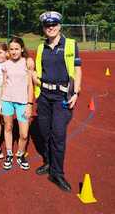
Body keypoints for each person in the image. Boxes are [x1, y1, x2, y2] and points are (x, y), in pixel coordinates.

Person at [33, 11, 82, 193]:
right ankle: (48, 161)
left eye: (54, 24)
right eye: (47, 25)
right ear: (44, 28)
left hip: (62, 98)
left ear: (60, 26)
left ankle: (57, 173)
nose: (51, 27)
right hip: (44, 97)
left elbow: (77, 70)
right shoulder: (41, 48)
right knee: (45, 133)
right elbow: (38, 71)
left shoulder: (70, 45)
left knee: (58, 135)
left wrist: (76, 92)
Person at [0, 37, 34, 170]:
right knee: (8, 128)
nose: (14, 52)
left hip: (23, 103)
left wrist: (30, 104)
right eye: (11, 49)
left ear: (22, 49)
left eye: (16, 49)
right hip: (7, 100)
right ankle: (9, 153)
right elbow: (3, 83)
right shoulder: (6, 64)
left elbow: (30, 85)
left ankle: (20, 154)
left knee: (24, 134)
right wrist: (0, 102)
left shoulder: (27, 63)